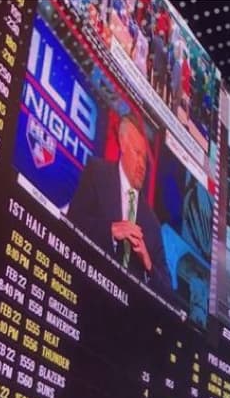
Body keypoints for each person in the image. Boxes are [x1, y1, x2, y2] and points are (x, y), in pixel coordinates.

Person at [67, 113, 170, 292]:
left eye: (145, 159)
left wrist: (148, 264)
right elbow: (73, 221)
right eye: (137, 153)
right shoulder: (97, 173)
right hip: (83, 287)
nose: (142, 165)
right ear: (122, 144)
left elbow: (167, 288)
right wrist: (111, 231)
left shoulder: (152, 222)